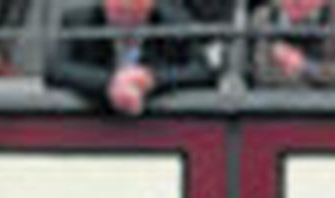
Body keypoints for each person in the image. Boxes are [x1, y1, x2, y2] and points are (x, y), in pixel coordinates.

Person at [45, 0, 219, 115]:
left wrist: (150, 79)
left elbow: (203, 71)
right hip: (96, 125)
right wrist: (110, 83)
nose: (125, 24)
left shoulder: (174, 21)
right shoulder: (79, 20)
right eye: (118, 12)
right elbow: (56, 69)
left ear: (149, 6)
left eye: (133, 15)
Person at [249, 0, 335, 87]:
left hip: (333, 113)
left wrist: (307, 67)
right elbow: (261, 74)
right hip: (277, 112)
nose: (296, 1)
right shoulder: (263, 18)